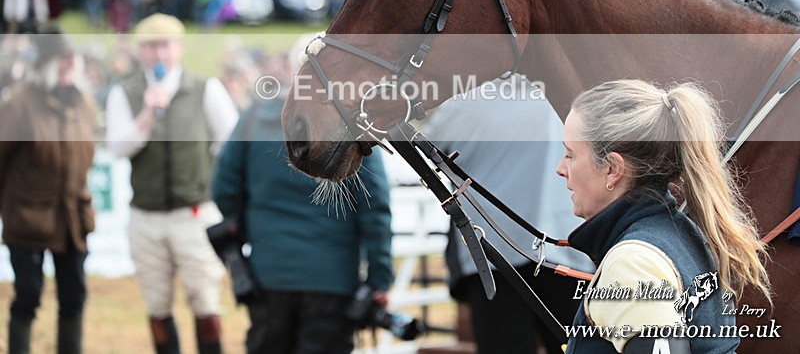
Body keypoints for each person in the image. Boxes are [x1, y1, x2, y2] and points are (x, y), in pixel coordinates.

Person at [559, 79, 772, 353]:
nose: (560, 168)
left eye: (570, 154)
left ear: (612, 168)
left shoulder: (633, 264)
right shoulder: (678, 232)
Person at [211, 51, 394, 354]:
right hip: (332, 278)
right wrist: (379, 278)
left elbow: (223, 189)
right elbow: (375, 208)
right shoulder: (354, 125)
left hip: (268, 273)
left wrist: (252, 232)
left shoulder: (255, 116)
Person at [422, 75, 594, 354]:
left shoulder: (462, 104)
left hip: (492, 256)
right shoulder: (564, 97)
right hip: (565, 252)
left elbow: (427, 149)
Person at [105, 13, 239, 354]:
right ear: (140, 52)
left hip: (194, 213)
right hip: (146, 217)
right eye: (150, 47)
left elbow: (231, 141)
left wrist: (212, 177)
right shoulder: (126, 93)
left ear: (178, 48)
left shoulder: (204, 88)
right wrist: (148, 114)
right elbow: (118, 148)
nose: (158, 54)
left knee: (206, 301)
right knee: (157, 306)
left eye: (164, 46)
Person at [0, 28, 97, 353]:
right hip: (28, 220)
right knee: (28, 295)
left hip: (72, 218)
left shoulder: (83, 103)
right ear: (45, 64)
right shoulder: (19, 104)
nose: (69, 65)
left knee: (74, 297)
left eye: (73, 59)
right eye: (62, 60)